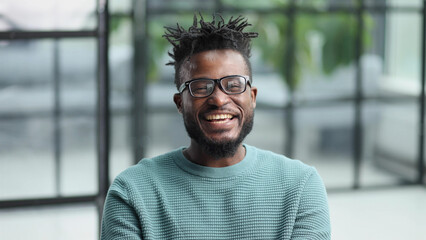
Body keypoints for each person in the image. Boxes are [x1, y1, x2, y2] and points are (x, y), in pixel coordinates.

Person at [101, 14, 331, 240]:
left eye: (233, 85)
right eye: (201, 87)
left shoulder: (300, 186)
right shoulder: (132, 191)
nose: (219, 100)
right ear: (180, 103)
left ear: (252, 97)